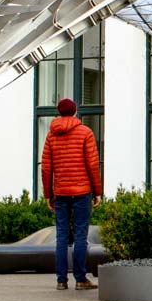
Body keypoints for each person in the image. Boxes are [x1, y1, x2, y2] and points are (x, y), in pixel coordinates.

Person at [39, 96, 102, 290]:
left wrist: (48, 194)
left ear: (59, 113)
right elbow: (93, 164)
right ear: (75, 112)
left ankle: (61, 280)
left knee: (62, 236)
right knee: (81, 235)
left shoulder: (51, 135)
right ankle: (80, 279)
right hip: (82, 191)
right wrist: (97, 191)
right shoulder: (85, 132)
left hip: (61, 192)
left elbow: (46, 168)